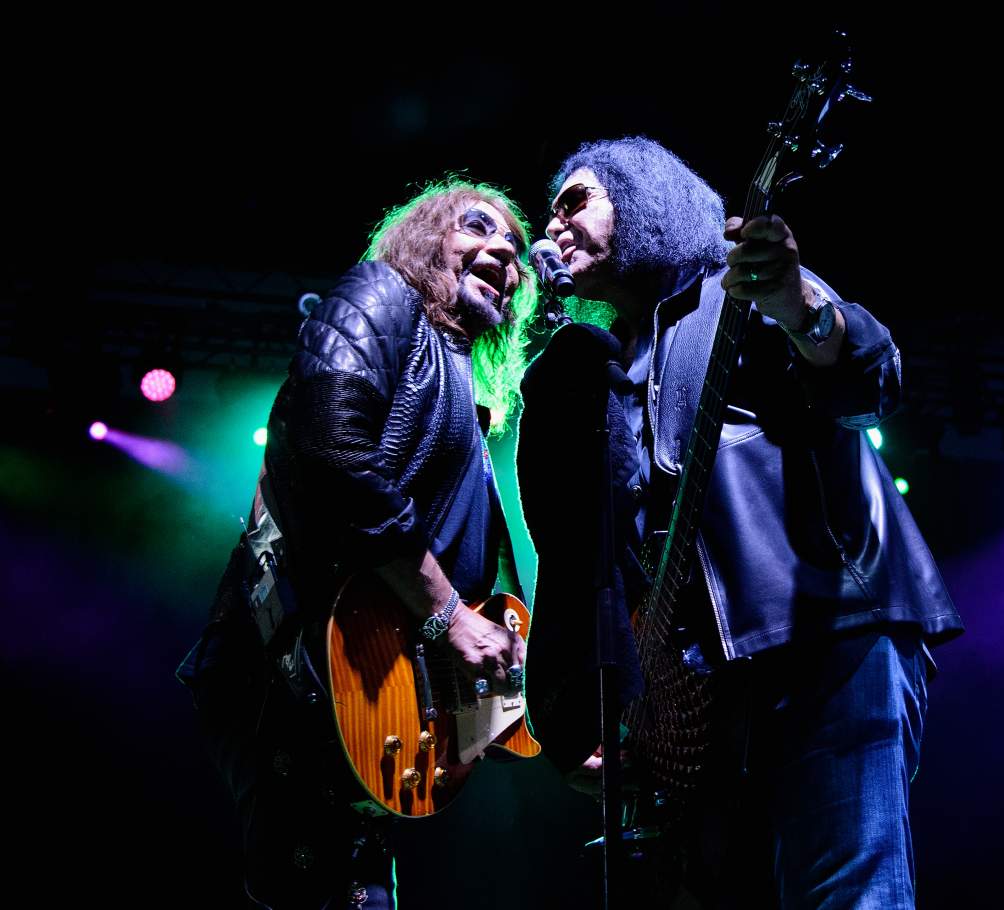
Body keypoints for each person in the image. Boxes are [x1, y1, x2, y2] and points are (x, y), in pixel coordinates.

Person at [517, 137, 964, 909]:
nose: (552, 223)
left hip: (831, 640)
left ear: (646, 197)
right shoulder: (614, 368)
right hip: (721, 687)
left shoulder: (735, 291)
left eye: (576, 199)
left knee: (848, 894)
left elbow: (874, 378)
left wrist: (800, 306)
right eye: (551, 207)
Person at [177, 179, 537, 909]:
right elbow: (332, 448)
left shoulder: (466, 388)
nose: (504, 250)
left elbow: (484, 587)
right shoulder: (381, 294)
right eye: (477, 226)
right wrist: (445, 615)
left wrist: (510, 703)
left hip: (375, 694)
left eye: (518, 250)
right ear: (424, 239)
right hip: (301, 666)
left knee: (358, 889)